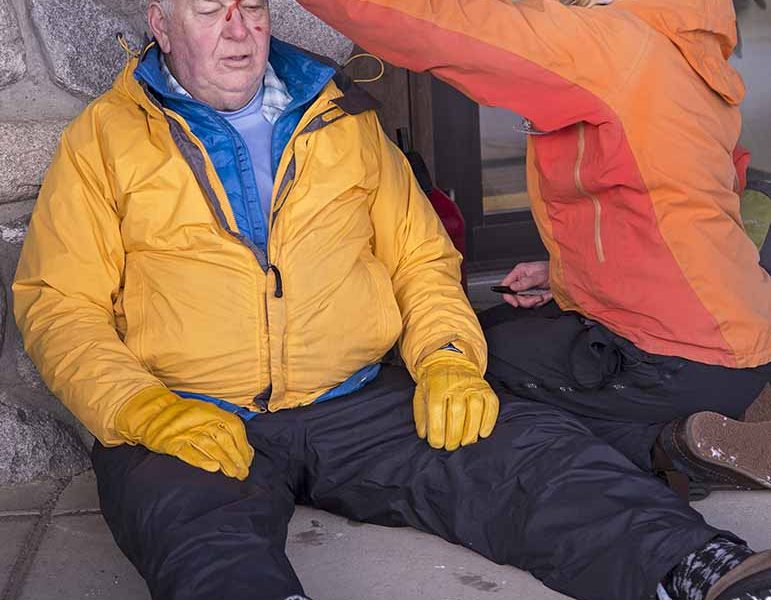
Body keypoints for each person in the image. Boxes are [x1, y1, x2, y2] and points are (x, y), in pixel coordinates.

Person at [12, 1, 771, 600]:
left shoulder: (337, 119)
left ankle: (699, 570)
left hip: (354, 397)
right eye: (211, 10)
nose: (240, 33)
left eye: (254, 9)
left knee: (523, 452)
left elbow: (418, 257)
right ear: (161, 22)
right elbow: (58, 302)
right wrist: (140, 409)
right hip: (191, 410)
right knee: (201, 545)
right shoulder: (105, 141)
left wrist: (444, 358)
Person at [294, 0, 771, 491]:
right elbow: (688, 202)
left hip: (674, 359)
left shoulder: (609, 42)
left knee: (459, 374)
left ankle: (671, 445)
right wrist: (564, 273)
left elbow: (440, 25)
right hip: (740, 338)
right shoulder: (686, 49)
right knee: (495, 331)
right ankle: (728, 410)